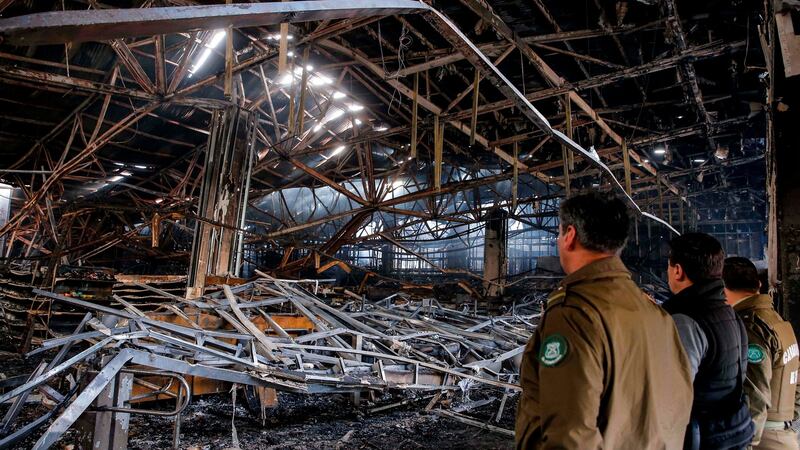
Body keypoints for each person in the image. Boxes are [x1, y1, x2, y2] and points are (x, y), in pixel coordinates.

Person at [515, 191, 693, 449]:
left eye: (558, 232)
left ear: (570, 236)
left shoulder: (575, 314)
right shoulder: (656, 314)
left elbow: (571, 437)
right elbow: (679, 406)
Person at [662, 233, 755, 449]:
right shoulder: (728, 312)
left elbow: (671, 396)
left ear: (678, 270)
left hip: (703, 439)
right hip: (731, 433)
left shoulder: (684, 319)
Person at [723, 257, 800, 449]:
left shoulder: (751, 326)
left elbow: (754, 392)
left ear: (722, 289)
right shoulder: (779, 322)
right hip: (782, 433)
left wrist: (747, 442)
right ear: (758, 284)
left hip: (763, 438)